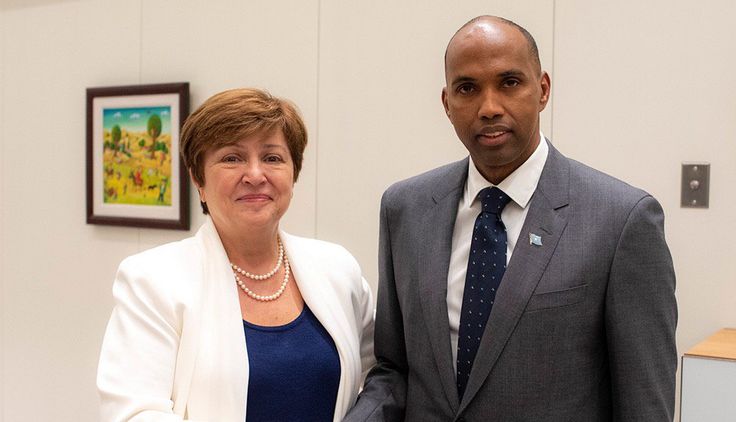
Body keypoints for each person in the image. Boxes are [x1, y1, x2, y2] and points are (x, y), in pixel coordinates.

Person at [345, 15, 677, 421]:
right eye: (467, 88)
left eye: (509, 82)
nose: (489, 107)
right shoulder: (406, 209)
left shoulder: (621, 221)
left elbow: (644, 402)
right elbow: (394, 371)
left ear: (543, 90)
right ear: (447, 103)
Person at [97, 88, 375, 421]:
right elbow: (135, 413)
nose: (255, 175)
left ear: (293, 173)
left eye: (272, 158)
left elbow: (378, 383)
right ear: (198, 179)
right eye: (232, 158)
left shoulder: (338, 270)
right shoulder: (152, 280)